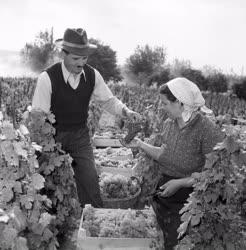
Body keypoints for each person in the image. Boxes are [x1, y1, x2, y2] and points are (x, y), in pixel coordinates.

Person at [32, 28, 141, 208]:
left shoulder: (92, 75)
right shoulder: (47, 78)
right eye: (76, 58)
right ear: (63, 55)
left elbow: (108, 100)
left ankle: (91, 218)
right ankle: (54, 225)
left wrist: (127, 112)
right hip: (52, 138)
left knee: (89, 178)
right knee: (49, 185)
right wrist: (46, 147)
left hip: (80, 136)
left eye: (84, 58)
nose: (81, 63)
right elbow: (38, 118)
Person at [123, 77, 224, 250]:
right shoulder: (169, 123)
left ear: (180, 102)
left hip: (190, 198)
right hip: (165, 189)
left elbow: (213, 173)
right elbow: (163, 154)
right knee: (158, 238)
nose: (161, 108)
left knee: (175, 243)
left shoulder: (206, 129)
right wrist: (139, 144)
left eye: (164, 103)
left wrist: (180, 183)